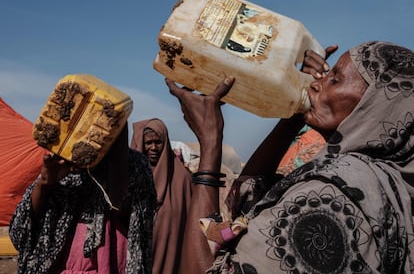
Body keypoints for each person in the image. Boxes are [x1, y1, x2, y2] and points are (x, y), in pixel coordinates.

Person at [166, 41, 414, 273]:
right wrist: (296, 112)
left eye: (335, 79)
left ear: (375, 106)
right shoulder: (383, 180)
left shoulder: (333, 194)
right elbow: (246, 204)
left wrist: (210, 144)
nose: (317, 83)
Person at [9, 123, 157, 274]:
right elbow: (20, 233)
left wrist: (117, 163)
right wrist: (45, 184)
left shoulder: (134, 165)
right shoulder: (62, 161)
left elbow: (137, 220)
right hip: (62, 264)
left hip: (113, 259)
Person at [130, 118, 192, 274]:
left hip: (166, 255)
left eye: (158, 142)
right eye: (148, 143)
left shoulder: (182, 179)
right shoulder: (129, 175)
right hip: (132, 253)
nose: (153, 148)